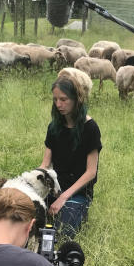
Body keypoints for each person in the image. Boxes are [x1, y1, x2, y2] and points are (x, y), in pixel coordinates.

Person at [40, 71, 102, 238]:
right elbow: (45, 164)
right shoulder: (54, 127)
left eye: (63, 99)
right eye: (55, 99)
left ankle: (79, 211)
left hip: (78, 192)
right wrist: (28, 184)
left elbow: (91, 172)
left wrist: (64, 197)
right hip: (54, 187)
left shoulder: (90, 128)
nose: (58, 104)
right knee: (26, 216)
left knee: (62, 233)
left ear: (76, 99)